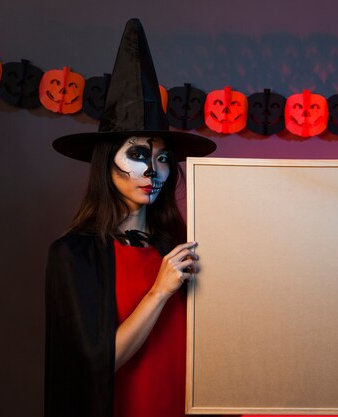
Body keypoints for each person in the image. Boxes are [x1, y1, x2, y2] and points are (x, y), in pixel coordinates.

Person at [45, 19, 216, 417]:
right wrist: (159, 291)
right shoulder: (74, 255)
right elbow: (96, 363)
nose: (153, 172)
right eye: (138, 155)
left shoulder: (180, 248)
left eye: (162, 159)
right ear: (108, 163)